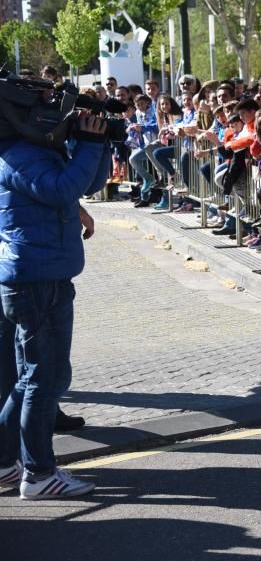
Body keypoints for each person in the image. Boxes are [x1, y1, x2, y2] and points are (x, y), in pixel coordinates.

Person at [0, 110, 108, 499]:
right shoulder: (19, 154)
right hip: (37, 280)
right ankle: (39, 473)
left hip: (41, 276)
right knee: (43, 380)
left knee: (33, 379)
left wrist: (98, 142)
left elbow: (88, 183)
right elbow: (62, 190)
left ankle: (5, 466)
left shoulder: (34, 150)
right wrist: (90, 144)